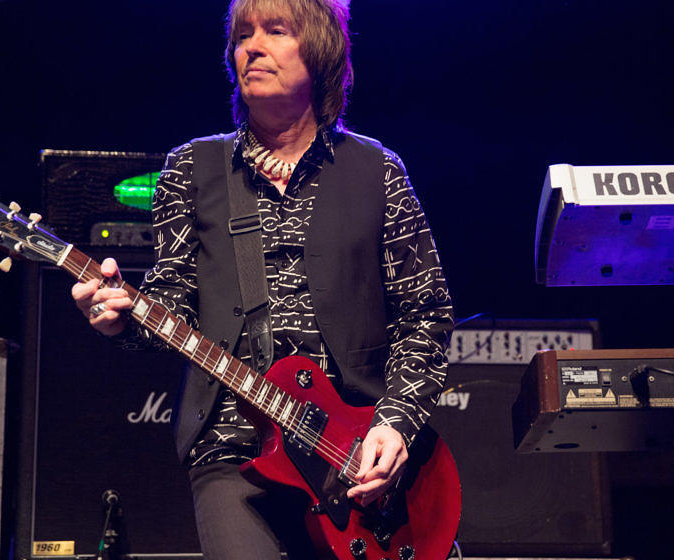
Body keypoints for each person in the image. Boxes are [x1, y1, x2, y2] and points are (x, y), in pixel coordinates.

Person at [71, 0, 453, 558]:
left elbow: (426, 312)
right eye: (242, 34)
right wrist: (114, 319)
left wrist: (394, 426)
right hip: (235, 450)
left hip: (356, 450)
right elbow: (167, 308)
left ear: (320, 52)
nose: (252, 46)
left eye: (276, 30)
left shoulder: (378, 170)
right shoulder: (191, 169)